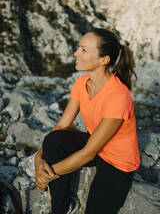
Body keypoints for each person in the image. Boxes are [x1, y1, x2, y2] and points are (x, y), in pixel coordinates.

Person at [34, 28, 140, 214]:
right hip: (95, 145)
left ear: (104, 60)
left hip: (117, 162)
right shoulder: (81, 83)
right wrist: (38, 158)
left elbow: (88, 153)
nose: (76, 53)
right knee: (54, 139)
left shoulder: (118, 96)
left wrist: (46, 176)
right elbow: (61, 125)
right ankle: (62, 208)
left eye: (83, 50)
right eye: (78, 48)